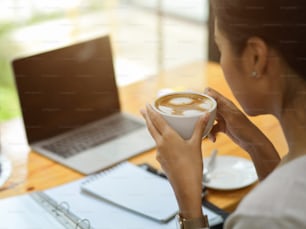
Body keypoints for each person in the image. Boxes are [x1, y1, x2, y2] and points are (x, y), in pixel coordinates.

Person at [141, 0, 306, 228]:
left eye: (221, 48)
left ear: (255, 57)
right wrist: (258, 145)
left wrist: (189, 203)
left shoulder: (264, 217)